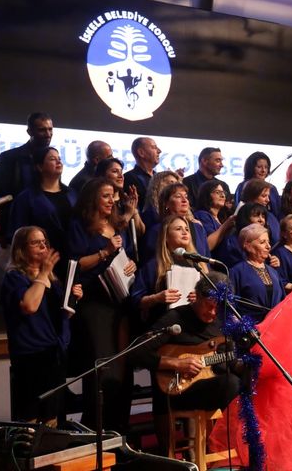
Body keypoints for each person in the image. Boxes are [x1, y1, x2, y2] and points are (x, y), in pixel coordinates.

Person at [133, 271, 243, 456]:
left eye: (218, 308)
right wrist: (176, 364)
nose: (213, 312)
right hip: (177, 390)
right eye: (209, 306)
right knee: (231, 383)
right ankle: (215, 445)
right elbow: (137, 351)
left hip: (209, 384)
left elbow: (228, 363)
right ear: (196, 297)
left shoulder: (221, 322)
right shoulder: (175, 318)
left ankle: (238, 447)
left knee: (243, 380)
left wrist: (244, 364)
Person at [67, 177, 138, 432]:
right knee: (104, 373)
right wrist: (105, 253)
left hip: (119, 305)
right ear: (92, 198)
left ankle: (120, 435)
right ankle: (96, 435)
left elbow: (124, 259)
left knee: (123, 373)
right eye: (106, 196)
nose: (112, 200)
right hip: (94, 305)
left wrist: (132, 265)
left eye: (113, 196)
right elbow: (74, 263)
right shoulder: (81, 226)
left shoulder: (116, 226)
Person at [0, 226, 82, 424]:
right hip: (30, 354)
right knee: (31, 414)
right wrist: (43, 273)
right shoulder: (14, 278)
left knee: (52, 415)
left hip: (53, 352)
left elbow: (60, 316)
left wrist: (72, 300)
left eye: (45, 242)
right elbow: (29, 305)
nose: (43, 246)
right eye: (36, 242)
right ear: (21, 248)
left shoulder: (53, 280)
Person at [7, 147, 78, 275]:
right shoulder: (26, 197)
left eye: (59, 159)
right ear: (39, 167)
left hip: (71, 259)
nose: (58, 162)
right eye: (52, 159)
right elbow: (18, 234)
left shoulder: (72, 194)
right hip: (40, 262)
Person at [0, 112, 54, 246]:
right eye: (42, 130)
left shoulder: (53, 158)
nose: (48, 134)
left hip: (47, 229)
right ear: (29, 131)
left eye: (50, 129)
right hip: (17, 228)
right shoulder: (9, 158)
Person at [131, 215, 204, 327]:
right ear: (166, 237)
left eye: (187, 229)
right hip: (165, 325)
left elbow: (211, 294)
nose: (184, 232)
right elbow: (136, 301)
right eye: (178, 229)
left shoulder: (198, 264)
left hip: (193, 326)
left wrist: (200, 297)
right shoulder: (154, 265)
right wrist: (156, 298)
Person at [141, 182, 209, 263]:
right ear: (166, 203)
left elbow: (206, 257)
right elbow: (151, 262)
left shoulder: (198, 228)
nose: (184, 200)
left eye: (186, 197)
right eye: (178, 196)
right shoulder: (157, 230)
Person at [230, 223, 286, 320]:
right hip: (251, 329)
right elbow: (230, 305)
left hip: (275, 327)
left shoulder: (273, 272)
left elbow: (283, 302)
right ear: (248, 246)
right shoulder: (237, 272)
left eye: (268, 242)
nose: (268, 246)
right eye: (262, 242)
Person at [94, 157, 144, 239]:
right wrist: (128, 214)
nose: (121, 176)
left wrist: (134, 210)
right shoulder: (100, 202)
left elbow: (140, 231)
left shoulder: (126, 200)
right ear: (102, 175)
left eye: (121, 172)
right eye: (115, 172)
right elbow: (110, 232)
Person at [194, 180, 236, 267]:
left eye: (223, 192)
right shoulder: (202, 215)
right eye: (217, 192)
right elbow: (208, 245)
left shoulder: (220, 218)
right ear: (207, 195)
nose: (223, 195)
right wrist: (226, 225)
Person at [233, 151, 281, 217]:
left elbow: (277, 212)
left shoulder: (272, 188)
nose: (263, 170)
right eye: (259, 167)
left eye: (266, 167)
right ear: (251, 168)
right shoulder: (243, 186)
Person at [123, 137, 162, 212]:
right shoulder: (129, 178)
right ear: (141, 153)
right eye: (154, 147)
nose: (159, 151)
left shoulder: (159, 178)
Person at [240, 178, 281, 245]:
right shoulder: (243, 216)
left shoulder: (271, 216)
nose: (268, 200)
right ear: (252, 196)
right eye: (264, 196)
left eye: (268, 196)